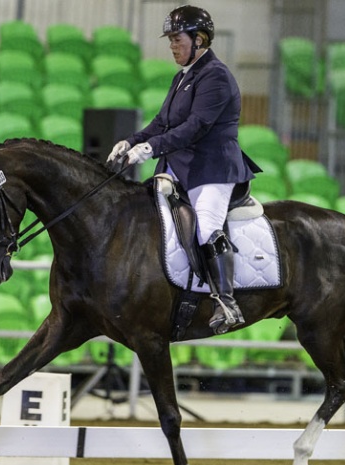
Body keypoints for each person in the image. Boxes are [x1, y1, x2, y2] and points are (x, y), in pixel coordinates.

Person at [107, 4, 259, 335]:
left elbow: (196, 126)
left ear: (200, 40)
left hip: (211, 169)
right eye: (171, 40)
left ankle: (226, 301)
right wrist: (130, 140)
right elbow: (162, 122)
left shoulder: (216, 76)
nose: (172, 46)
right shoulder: (183, 77)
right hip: (180, 166)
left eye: (177, 39)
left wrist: (149, 149)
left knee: (205, 228)